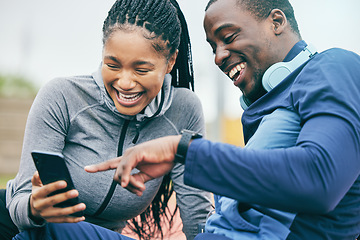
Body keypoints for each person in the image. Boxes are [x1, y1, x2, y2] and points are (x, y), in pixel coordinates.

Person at [80, 0, 360, 239]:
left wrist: (183, 150)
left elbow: (321, 180)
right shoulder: (264, 111)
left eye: (228, 37)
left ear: (276, 22)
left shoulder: (334, 66)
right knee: (44, 227)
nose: (218, 57)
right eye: (213, 46)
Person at [2, 0, 213, 239]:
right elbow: (18, 201)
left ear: (171, 62)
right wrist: (33, 207)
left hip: (93, 235)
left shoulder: (183, 111)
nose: (124, 82)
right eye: (112, 65)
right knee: (55, 228)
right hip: (24, 228)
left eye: (141, 70)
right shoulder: (62, 96)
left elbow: (197, 214)